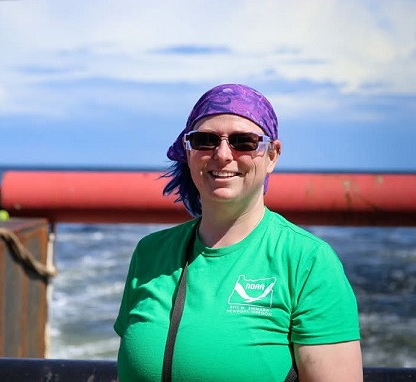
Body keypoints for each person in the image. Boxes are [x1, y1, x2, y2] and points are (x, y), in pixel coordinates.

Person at [114, 84, 362, 381]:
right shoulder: (151, 254)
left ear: (272, 155)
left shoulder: (307, 261)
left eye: (243, 142)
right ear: (188, 151)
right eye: (205, 140)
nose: (222, 154)